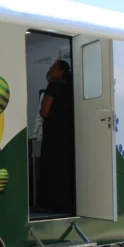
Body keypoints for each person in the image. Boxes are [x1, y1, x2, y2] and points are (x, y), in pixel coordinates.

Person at [37, 60, 74, 213]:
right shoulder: (72, 88)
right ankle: (64, 204)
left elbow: (44, 112)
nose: (50, 70)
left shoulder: (53, 87)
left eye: (54, 68)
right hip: (68, 135)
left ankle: (48, 204)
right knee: (65, 169)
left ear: (62, 72)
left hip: (53, 134)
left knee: (50, 168)